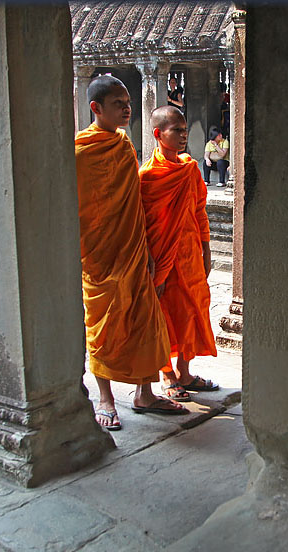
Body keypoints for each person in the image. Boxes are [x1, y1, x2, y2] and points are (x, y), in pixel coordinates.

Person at [75, 75, 188, 429]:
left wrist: (147, 247)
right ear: (96, 108)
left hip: (133, 248)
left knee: (145, 320)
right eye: (118, 104)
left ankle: (145, 392)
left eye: (128, 103)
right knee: (102, 325)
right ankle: (105, 399)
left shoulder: (124, 145)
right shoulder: (79, 150)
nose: (127, 109)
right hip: (98, 253)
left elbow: (133, 201)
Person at [139, 106, 220, 402]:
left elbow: (199, 210)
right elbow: (144, 225)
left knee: (191, 313)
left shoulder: (188, 169)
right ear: (159, 134)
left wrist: (206, 247)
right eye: (177, 130)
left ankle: (185, 371)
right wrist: (150, 262)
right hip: (163, 260)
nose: (184, 135)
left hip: (189, 255)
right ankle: (167, 375)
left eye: (185, 130)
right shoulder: (147, 177)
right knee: (164, 317)